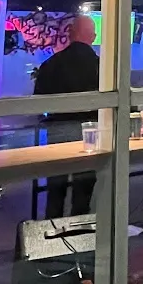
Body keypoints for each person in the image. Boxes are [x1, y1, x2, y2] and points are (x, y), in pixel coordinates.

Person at [32, 14, 99, 218]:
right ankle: (78, 232)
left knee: (55, 190)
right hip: (89, 132)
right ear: (93, 37)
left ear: (70, 33)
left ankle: (53, 233)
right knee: (83, 190)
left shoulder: (51, 64)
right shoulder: (101, 67)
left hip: (57, 132)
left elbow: (38, 102)